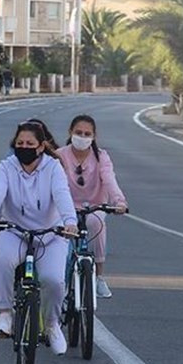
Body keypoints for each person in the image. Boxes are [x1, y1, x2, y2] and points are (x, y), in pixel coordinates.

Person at [0, 121, 79, 356]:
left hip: (50, 235)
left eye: (30, 144)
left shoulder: (53, 168)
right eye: (20, 143)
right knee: (2, 262)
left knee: (54, 280)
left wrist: (70, 222)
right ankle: (5, 314)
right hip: (15, 232)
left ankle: (53, 325)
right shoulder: (6, 167)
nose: (24, 147)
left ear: (41, 146)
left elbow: (62, 195)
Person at [55, 114, 129, 298]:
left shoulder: (101, 156)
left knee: (96, 224)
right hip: (65, 209)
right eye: (78, 132)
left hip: (93, 207)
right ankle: (60, 283)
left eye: (87, 134)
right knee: (61, 241)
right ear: (70, 132)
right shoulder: (59, 155)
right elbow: (55, 184)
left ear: (94, 136)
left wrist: (119, 201)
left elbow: (109, 179)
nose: (82, 137)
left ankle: (99, 277)